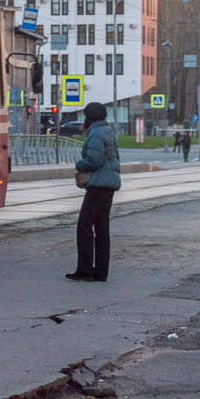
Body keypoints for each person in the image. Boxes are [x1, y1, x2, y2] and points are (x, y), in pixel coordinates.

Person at [68, 102, 120, 282]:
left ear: (89, 118)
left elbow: (94, 160)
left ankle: (85, 269)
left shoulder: (96, 134)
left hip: (99, 184)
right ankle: (100, 271)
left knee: (84, 224)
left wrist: (79, 165)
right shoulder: (106, 131)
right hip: (108, 184)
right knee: (101, 227)